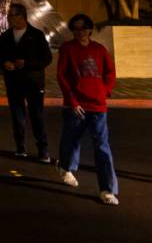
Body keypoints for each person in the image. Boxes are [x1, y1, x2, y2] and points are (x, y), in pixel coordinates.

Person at [56, 13, 119, 205]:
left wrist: (105, 90)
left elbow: (111, 72)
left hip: (98, 105)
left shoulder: (99, 49)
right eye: (75, 29)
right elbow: (62, 76)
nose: (79, 32)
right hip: (76, 105)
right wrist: (72, 102)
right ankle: (65, 167)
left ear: (90, 29)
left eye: (83, 28)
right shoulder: (67, 49)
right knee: (71, 140)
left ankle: (107, 189)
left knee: (102, 147)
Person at [0, 1, 53, 162]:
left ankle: (43, 149)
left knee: (37, 115)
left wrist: (27, 63)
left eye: (14, 15)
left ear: (23, 16)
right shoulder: (6, 36)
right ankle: (20, 147)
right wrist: (4, 63)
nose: (11, 18)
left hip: (33, 82)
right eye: (9, 15)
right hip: (13, 81)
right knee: (17, 115)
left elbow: (47, 58)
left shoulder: (36, 35)